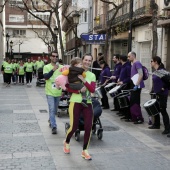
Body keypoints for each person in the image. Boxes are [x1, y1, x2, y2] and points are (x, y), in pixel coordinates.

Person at [63, 54, 96, 160]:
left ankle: (85, 150)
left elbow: (92, 90)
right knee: (74, 126)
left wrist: (84, 80)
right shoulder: (73, 71)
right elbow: (67, 87)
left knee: (88, 126)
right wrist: (77, 90)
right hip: (75, 101)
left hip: (88, 103)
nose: (87, 62)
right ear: (82, 61)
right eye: (85, 60)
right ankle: (67, 142)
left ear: (91, 62)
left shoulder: (92, 75)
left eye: (89, 61)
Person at [149, 56, 170, 135]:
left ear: (156, 62)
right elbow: (156, 82)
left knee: (163, 111)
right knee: (156, 110)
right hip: (156, 93)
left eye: (151, 61)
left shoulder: (162, 71)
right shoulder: (157, 71)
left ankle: (168, 129)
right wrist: (153, 90)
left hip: (162, 94)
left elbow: (168, 82)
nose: (150, 63)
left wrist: (163, 88)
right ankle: (156, 124)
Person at [43, 52, 63, 134]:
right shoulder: (46, 67)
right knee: (51, 109)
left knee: (54, 110)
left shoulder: (62, 67)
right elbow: (46, 77)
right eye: (53, 56)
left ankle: (50, 119)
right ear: (50, 57)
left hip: (58, 92)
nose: (55, 57)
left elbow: (65, 78)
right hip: (49, 92)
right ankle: (54, 126)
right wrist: (53, 69)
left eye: (56, 56)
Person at [127, 51, 144, 124]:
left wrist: (137, 85)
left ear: (133, 56)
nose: (128, 58)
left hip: (137, 85)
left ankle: (139, 118)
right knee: (133, 101)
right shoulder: (134, 64)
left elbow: (141, 74)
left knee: (135, 102)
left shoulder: (137, 63)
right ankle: (134, 117)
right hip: (134, 85)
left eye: (129, 56)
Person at [117, 55, 131, 120]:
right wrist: (119, 78)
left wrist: (123, 82)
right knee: (122, 101)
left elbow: (129, 77)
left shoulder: (127, 67)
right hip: (122, 86)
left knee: (126, 102)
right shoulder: (123, 66)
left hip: (126, 86)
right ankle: (124, 114)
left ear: (121, 60)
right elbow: (122, 74)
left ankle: (128, 116)